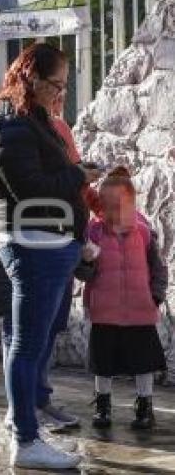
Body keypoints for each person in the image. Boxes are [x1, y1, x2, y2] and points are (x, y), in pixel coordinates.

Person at [0, 43, 102, 469]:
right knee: (27, 345)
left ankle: (25, 423)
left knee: (27, 341)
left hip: (47, 241)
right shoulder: (9, 121)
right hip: (34, 243)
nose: (61, 94)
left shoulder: (28, 118)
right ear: (30, 75)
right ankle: (26, 440)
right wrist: (77, 175)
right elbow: (28, 188)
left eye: (66, 86)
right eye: (56, 85)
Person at [75, 167, 168, 431]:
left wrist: (156, 295)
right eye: (108, 206)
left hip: (140, 310)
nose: (114, 212)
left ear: (132, 203)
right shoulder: (94, 233)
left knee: (143, 361)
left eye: (121, 205)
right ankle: (103, 406)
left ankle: (144, 406)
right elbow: (83, 274)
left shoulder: (144, 233)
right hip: (105, 310)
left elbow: (158, 268)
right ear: (101, 206)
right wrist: (86, 262)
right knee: (103, 362)